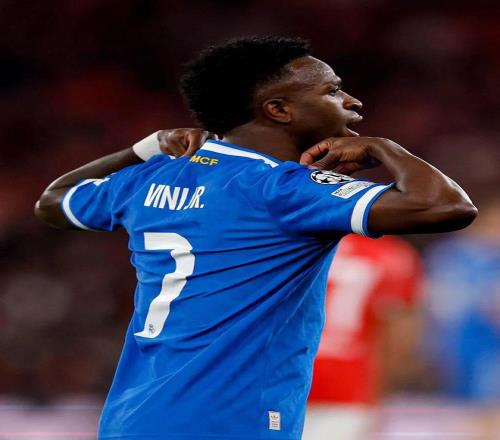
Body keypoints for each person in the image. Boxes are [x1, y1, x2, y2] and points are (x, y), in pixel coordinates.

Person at [35, 36, 476, 440]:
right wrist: (384, 148)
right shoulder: (279, 189)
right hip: (230, 421)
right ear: (278, 110)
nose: (351, 102)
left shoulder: (147, 178)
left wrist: (144, 148)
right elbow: (446, 206)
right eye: (332, 91)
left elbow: (54, 202)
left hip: (133, 418)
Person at [303, 234, 423, 440]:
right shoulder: (392, 255)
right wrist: (381, 393)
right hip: (348, 386)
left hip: (284, 380)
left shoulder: (294, 243)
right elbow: (399, 337)